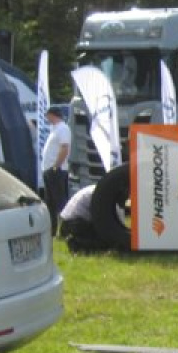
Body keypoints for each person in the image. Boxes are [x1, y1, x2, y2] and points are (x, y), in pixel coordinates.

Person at [41, 105, 71, 235]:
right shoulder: (54, 129)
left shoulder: (63, 128)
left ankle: (65, 229)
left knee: (60, 201)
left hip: (57, 170)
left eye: (47, 115)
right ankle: (52, 230)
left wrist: (56, 166)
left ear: (52, 115)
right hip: (49, 170)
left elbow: (65, 148)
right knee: (50, 202)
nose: (46, 118)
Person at [58, 184, 106, 253]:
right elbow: (99, 218)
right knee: (103, 240)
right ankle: (77, 243)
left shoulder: (95, 189)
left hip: (67, 223)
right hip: (75, 223)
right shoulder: (99, 194)